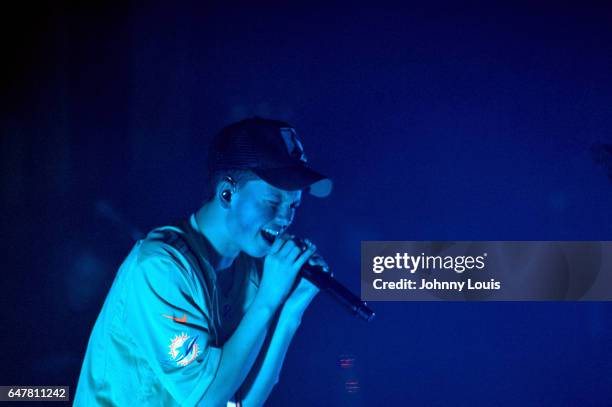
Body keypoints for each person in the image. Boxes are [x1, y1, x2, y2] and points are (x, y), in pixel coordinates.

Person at [74, 118, 333, 406]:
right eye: (272, 202)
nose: (285, 218)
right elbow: (207, 400)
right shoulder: (159, 269)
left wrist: (290, 310)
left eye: (293, 205)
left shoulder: (245, 273)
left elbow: (239, 404)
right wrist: (268, 300)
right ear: (227, 193)